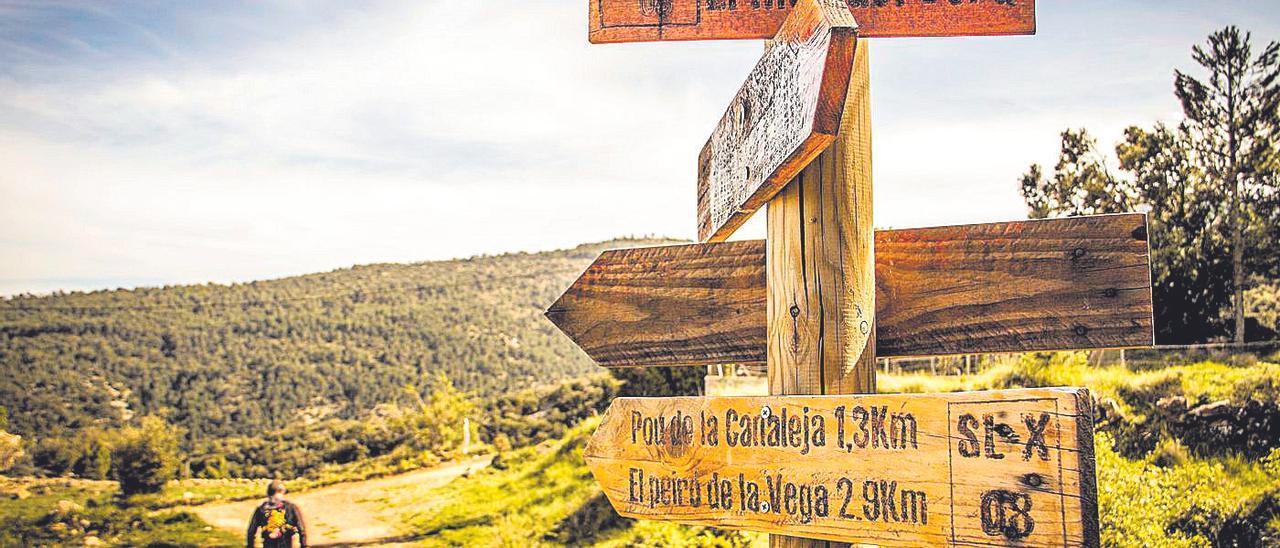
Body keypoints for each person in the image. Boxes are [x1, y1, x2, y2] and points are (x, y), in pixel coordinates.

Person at [246, 480, 307, 548]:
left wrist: (249, 546)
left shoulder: (261, 509)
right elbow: (301, 529)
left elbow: (251, 532)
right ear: (282, 492)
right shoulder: (291, 508)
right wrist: (303, 545)